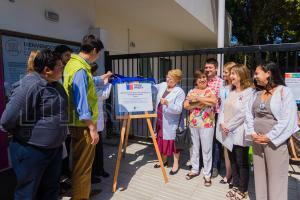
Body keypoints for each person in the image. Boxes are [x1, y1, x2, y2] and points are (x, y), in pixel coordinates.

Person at [1, 49, 68, 200]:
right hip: (31, 151)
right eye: (59, 66)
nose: (62, 68)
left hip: (54, 150)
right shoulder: (29, 85)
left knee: (51, 189)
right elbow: (8, 119)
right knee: (27, 193)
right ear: (47, 70)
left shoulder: (56, 85)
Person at [245, 62, 299, 200]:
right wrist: (252, 133)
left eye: (257, 73)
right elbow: (249, 115)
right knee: (260, 176)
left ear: (268, 73)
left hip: (275, 143)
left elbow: (288, 120)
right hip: (257, 141)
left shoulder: (283, 91)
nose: (254, 76)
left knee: (276, 178)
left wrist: (269, 137)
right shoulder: (256, 93)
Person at [63, 34, 103, 199]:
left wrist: (101, 78)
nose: (98, 56)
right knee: (83, 167)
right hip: (83, 125)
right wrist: (92, 127)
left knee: (81, 164)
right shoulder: (80, 69)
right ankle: (80, 196)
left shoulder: (72, 64)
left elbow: (84, 85)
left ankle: (82, 192)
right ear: (94, 50)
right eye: (99, 53)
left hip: (76, 123)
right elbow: (82, 102)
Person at [221, 64, 253, 200]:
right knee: (232, 160)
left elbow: (243, 113)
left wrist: (229, 125)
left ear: (242, 75)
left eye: (234, 74)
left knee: (242, 161)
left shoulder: (249, 92)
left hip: (239, 131)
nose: (230, 76)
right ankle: (235, 185)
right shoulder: (231, 91)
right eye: (231, 73)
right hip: (227, 131)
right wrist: (222, 123)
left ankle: (242, 189)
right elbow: (223, 108)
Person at [184, 70, 217, 186]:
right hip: (193, 123)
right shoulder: (191, 91)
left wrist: (197, 99)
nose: (202, 80)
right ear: (196, 81)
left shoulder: (210, 90)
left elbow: (213, 102)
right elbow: (186, 105)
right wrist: (203, 102)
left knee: (207, 150)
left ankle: (207, 175)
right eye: (199, 78)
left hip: (207, 124)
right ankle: (194, 169)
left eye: (204, 77)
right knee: (194, 148)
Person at [153, 69, 185, 175]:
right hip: (160, 121)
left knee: (174, 144)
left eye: (172, 78)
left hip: (171, 123)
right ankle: (164, 160)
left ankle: (175, 164)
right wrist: (139, 84)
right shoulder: (163, 85)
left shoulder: (179, 92)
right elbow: (151, 87)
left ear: (177, 80)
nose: (169, 80)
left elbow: (179, 109)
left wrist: (168, 103)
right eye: (168, 77)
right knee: (162, 141)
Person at [90, 63, 113, 184]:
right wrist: (107, 82)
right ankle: (92, 173)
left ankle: (99, 169)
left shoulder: (93, 81)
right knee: (92, 151)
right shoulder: (87, 83)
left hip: (97, 121)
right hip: (90, 123)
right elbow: (103, 95)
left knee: (99, 148)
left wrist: (105, 80)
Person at [217, 62, 236, 187]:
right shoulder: (223, 86)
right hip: (222, 121)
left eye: (226, 72)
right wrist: (222, 122)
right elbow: (221, 105)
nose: (223, 74)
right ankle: (228, 173)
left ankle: (235, 176)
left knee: (234, 150)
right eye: (223, 72)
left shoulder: (237, 88)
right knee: (225, 148)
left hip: (234, 123)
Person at [204, 58, 223, 178]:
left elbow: (219, 100)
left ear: (216, 68)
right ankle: (205, 163)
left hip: (216, 115)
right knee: (205, 140)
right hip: (204, 115)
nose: (207, 70)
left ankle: (215, 166)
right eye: (206, 68)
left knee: (216, 141)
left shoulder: (221, 83)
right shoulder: (203, 80)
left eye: (210, 67)